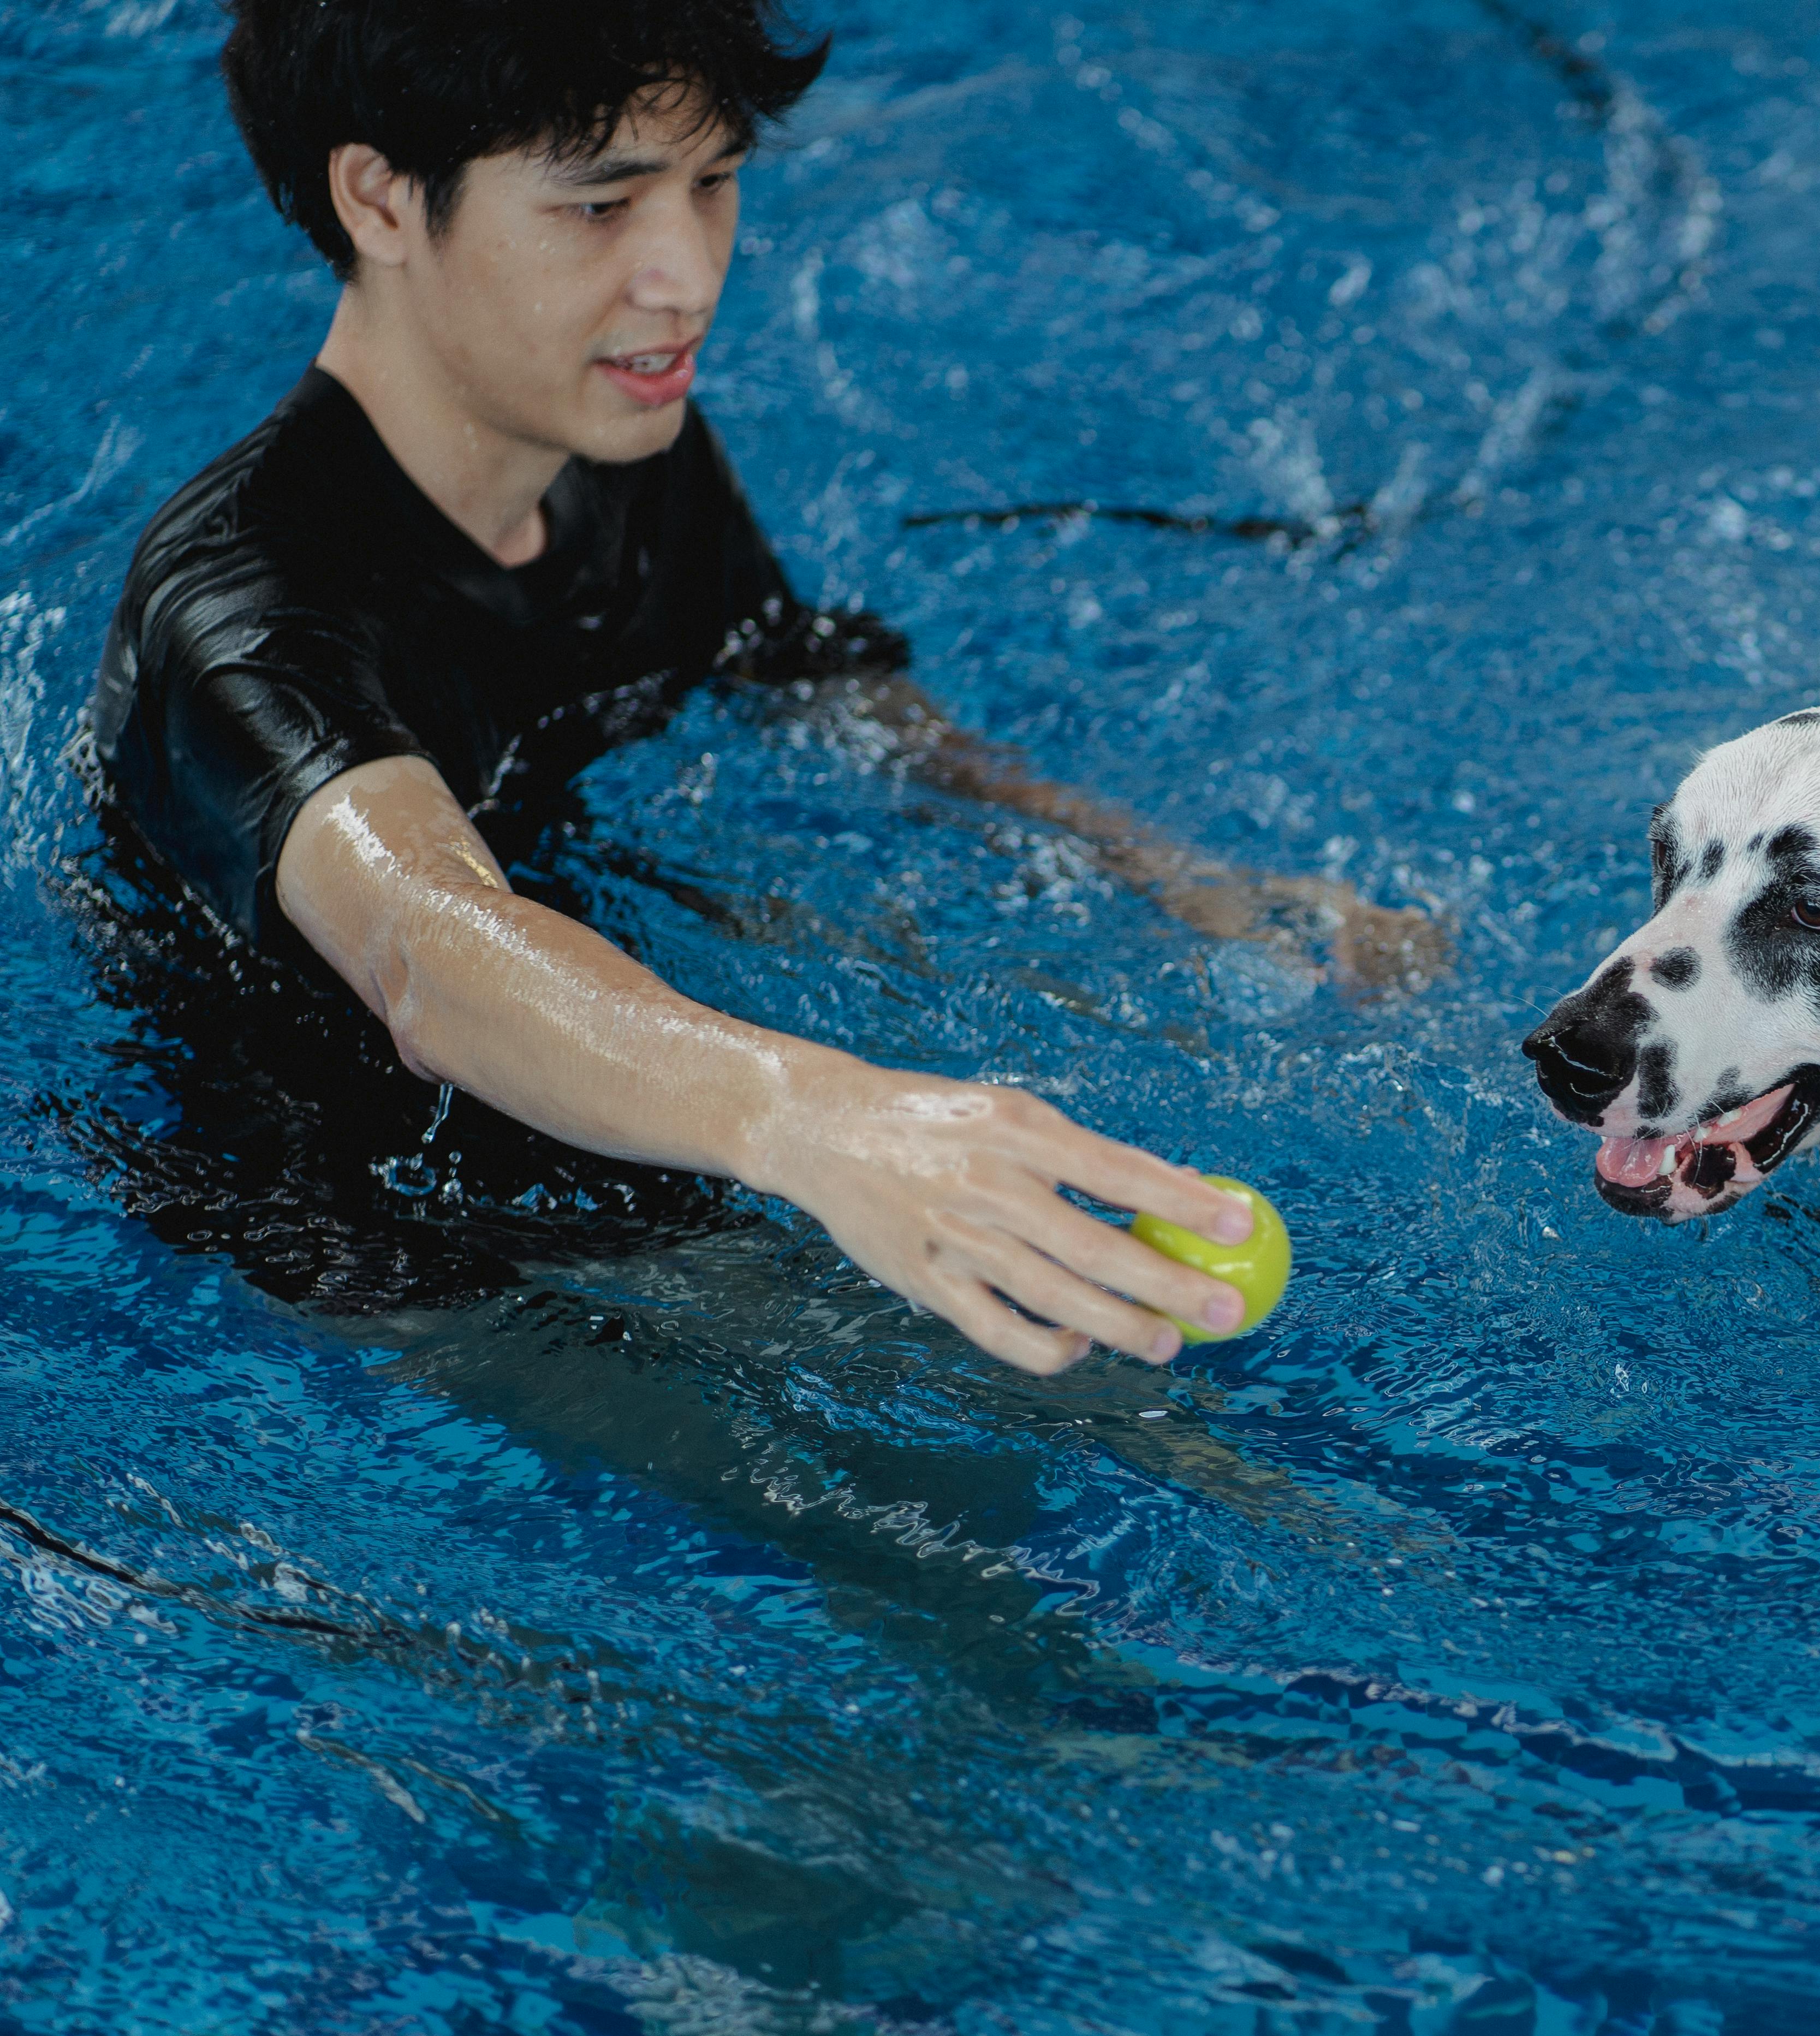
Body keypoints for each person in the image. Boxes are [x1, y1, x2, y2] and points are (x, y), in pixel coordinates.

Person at [80, 0, 1435, 1371]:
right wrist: (821, 1120)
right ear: (377, 198)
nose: (687, 274)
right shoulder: (240, 612)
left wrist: (1161, 873)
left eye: (714, 181)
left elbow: (806, 683)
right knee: (1041, 1478)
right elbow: (430, 952)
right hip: (390, 1231)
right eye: (602, 204)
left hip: (637, 1043)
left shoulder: (618, 437)